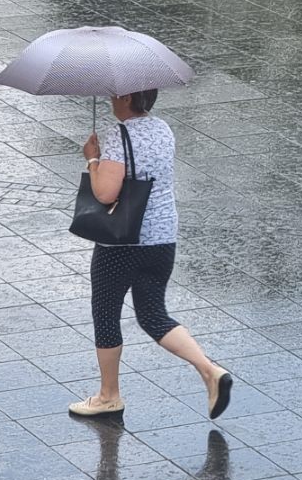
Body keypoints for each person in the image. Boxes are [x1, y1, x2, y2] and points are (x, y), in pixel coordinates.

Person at [69, 89, 234, 421]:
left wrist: (92, 158)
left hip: (122, 242)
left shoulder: (120, 135)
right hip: (162, 238)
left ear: (128, 98)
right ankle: (209, 369)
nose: (111, 100)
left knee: (105, 314)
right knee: (153, 314)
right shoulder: (163, 128)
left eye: (115, 95)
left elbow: (105, 193)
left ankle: (108, 396)